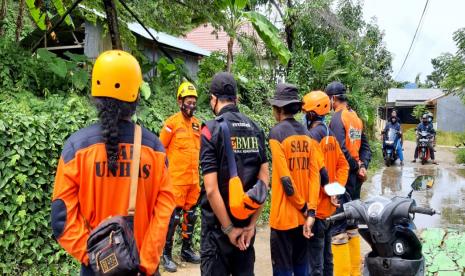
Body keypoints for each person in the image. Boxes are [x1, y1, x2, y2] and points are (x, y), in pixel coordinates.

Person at [51, 50, 175, 276]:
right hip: (141, 268)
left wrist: (99, 259)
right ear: (136, 96)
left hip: (96, 269)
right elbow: (164, 214)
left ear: (96, 96)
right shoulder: (155, 149)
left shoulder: (76, 149)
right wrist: (146, 263)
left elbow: (62, 220)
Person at [199, 72, 270, 275]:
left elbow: (211, 190)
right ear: (236, 99)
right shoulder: (256, 129)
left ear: (214, 99)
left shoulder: (210, 130)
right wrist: (251, 226)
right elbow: (264, 181)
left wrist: (229, 229)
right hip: (247, 229)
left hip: (217, 232)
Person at [268, 84, 323, 276]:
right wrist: (311, 212)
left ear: (280, 109)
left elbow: (286, 180)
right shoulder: (308, 135)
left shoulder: (276, 134)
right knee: (301, 267)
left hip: (283, 218)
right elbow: (315, 176)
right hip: (304, 219)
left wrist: (302, 207)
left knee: (282, 270)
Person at [324, 81, 372, 276]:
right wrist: (362, 166)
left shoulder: (337, 119)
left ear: (333, 99)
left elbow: (340, 150)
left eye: (328, 99)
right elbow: (365, 147)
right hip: (356, 180)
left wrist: (354, 166)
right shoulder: (356, 118)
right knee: (352, 225)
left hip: (342, 179)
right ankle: (354, 272)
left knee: (338, 230)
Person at [302, 90, 350, 276]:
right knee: (327, 259)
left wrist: (311, 209)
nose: (304, 116)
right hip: (330, 210)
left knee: (315, 265)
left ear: (312, 113)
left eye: (306, 112)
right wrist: (335, 191)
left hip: (318, 210)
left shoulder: (313, 137)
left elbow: (314, 175)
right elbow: (343, 165)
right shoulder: (330, 134)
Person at [159, 81, 201, 272]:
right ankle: (166, 255)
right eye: (188, 102)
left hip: (193, 181)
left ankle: (186, 250)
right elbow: (160, 151)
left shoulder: (197, 125)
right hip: (175, 181)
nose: (191, 105)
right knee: (173, 218)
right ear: (179, 101)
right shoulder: (171, 124)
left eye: (194, 102)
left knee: (190, 216)